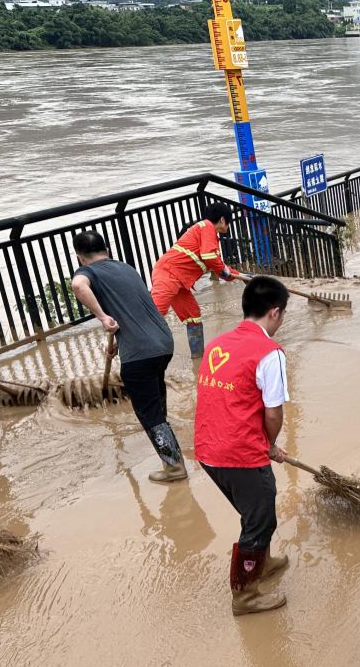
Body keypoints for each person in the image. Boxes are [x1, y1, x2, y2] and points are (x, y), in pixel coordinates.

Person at [194, 275, 291, 616]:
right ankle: (245, 595)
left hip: (207, 449)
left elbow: (224, 399)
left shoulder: (217, 344)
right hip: (239, 453)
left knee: (256, 513)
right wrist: (271, 444)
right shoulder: (269, 353)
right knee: (260, 521)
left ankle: (261, 561)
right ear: (275, 313)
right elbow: (273, 414)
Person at [70, 230, 186, 483]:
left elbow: (78, 285)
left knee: (148, 412)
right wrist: (118, 342)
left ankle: (174, 466)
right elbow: (131, 310)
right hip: (163, 343)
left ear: (80, 258)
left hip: (140, 353)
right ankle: (170, 449)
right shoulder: (125, 268)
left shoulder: (88, 272)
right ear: (107, 249)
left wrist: (101, 317)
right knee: (156, 403)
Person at [150, 202, 241, 359]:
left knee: (193, 315)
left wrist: (237, 275)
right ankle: (135, 354)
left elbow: (217, 264)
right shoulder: (207, 227)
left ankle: (198, 359)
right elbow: (210, 257)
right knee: (153, 315)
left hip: (180, 281)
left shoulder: (209, 237)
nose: (228, 227)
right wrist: (226, 273)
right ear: (222, 219)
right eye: (228, 223)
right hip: (168, 274)